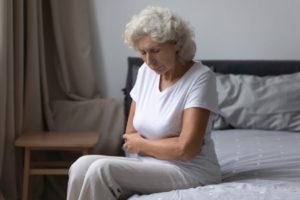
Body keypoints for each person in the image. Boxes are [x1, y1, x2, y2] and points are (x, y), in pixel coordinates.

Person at [67, 6, 221, 200]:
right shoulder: (145, 72)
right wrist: (168, 143)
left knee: (102, 170)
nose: (150, 61)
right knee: (80, 166)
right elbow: (130, 136)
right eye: (143, 52)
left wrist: (144, 144)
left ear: (176, 44)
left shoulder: (200, 78)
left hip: (190, 171)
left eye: (155, 50)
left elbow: (186, 149)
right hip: (146, 163)